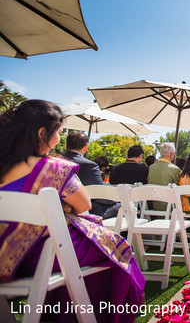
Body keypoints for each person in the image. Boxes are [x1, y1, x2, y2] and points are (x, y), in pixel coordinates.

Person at [0, 100, 145, 322]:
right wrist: (63, 206)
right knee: (115, 249)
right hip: (40, 257)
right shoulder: (51, 168)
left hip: (5, 258)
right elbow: (84, 205)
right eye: (59, 132)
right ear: (42, 133)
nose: (59, 138)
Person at [63, 132, 118, 219]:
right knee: (120, 207)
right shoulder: (89, 165)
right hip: (84, 210)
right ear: (86, 147)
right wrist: (114, 200)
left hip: (59, 207)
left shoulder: (54, 161)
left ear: (66, 145)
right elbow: (100, 195)